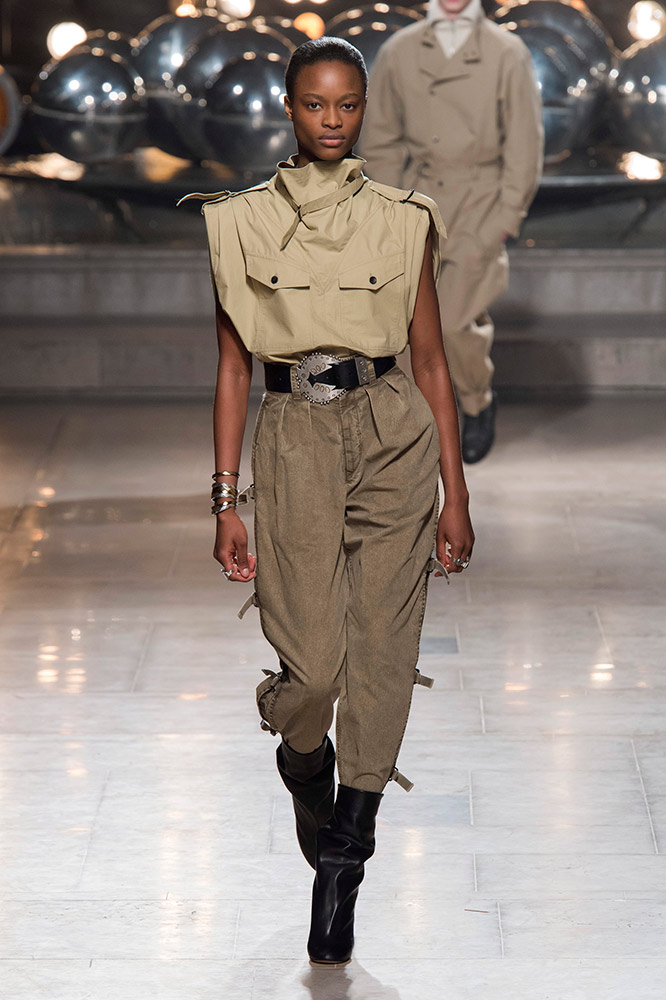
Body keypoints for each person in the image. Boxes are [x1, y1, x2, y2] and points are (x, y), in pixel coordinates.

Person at [178, 37, 474, 967]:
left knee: (383, 651)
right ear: (290, 109)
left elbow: (433, 362)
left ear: (364, 109)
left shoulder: (403, 220)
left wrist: (456, 493)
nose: (333, 120)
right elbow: (233, 367)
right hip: (294, 437)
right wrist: (225, 500)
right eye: (316, 104)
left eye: (348, 104)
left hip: (392, 430)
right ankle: (303, 762)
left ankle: (344, 857)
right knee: (309, 671)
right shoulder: (239, 223)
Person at [361, 0, 544, 463]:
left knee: (455, 321)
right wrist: (393, 202)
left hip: (481, 201)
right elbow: (380, 137)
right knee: (410, 321)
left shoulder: (506, 52)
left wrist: (506, 218)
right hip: (416, 200)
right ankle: (424, 428)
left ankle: (478, 401)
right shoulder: (399, 51)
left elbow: (525, 143)